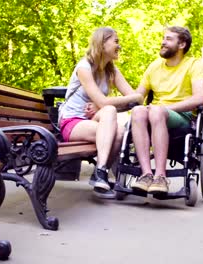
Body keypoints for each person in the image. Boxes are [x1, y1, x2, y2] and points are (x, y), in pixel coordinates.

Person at [58, 27, 143, 198]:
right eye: (116, 41)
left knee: (117, 126)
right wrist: (103, 105)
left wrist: (100, 106)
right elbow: (107, 102)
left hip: (94, 120)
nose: (119, 46)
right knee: (112, 117)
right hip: (72, 122)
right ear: (102, 43)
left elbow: (135, 100)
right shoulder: (84, 67)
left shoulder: (112, 70)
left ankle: (99, 174)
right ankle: (101, 172)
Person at [130, 26, 203, 194]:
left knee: (156, 111)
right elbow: (137, 97)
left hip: (181, 115)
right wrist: (106, 104)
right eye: (163, 38)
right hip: (155, 112)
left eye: (168, 39)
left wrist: (164, 108)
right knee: (137, 112)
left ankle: (161, 177)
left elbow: (199, 98)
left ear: (181, 45)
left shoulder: (194, 65)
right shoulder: (154, 67)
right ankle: (146, 174)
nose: (163, 42)